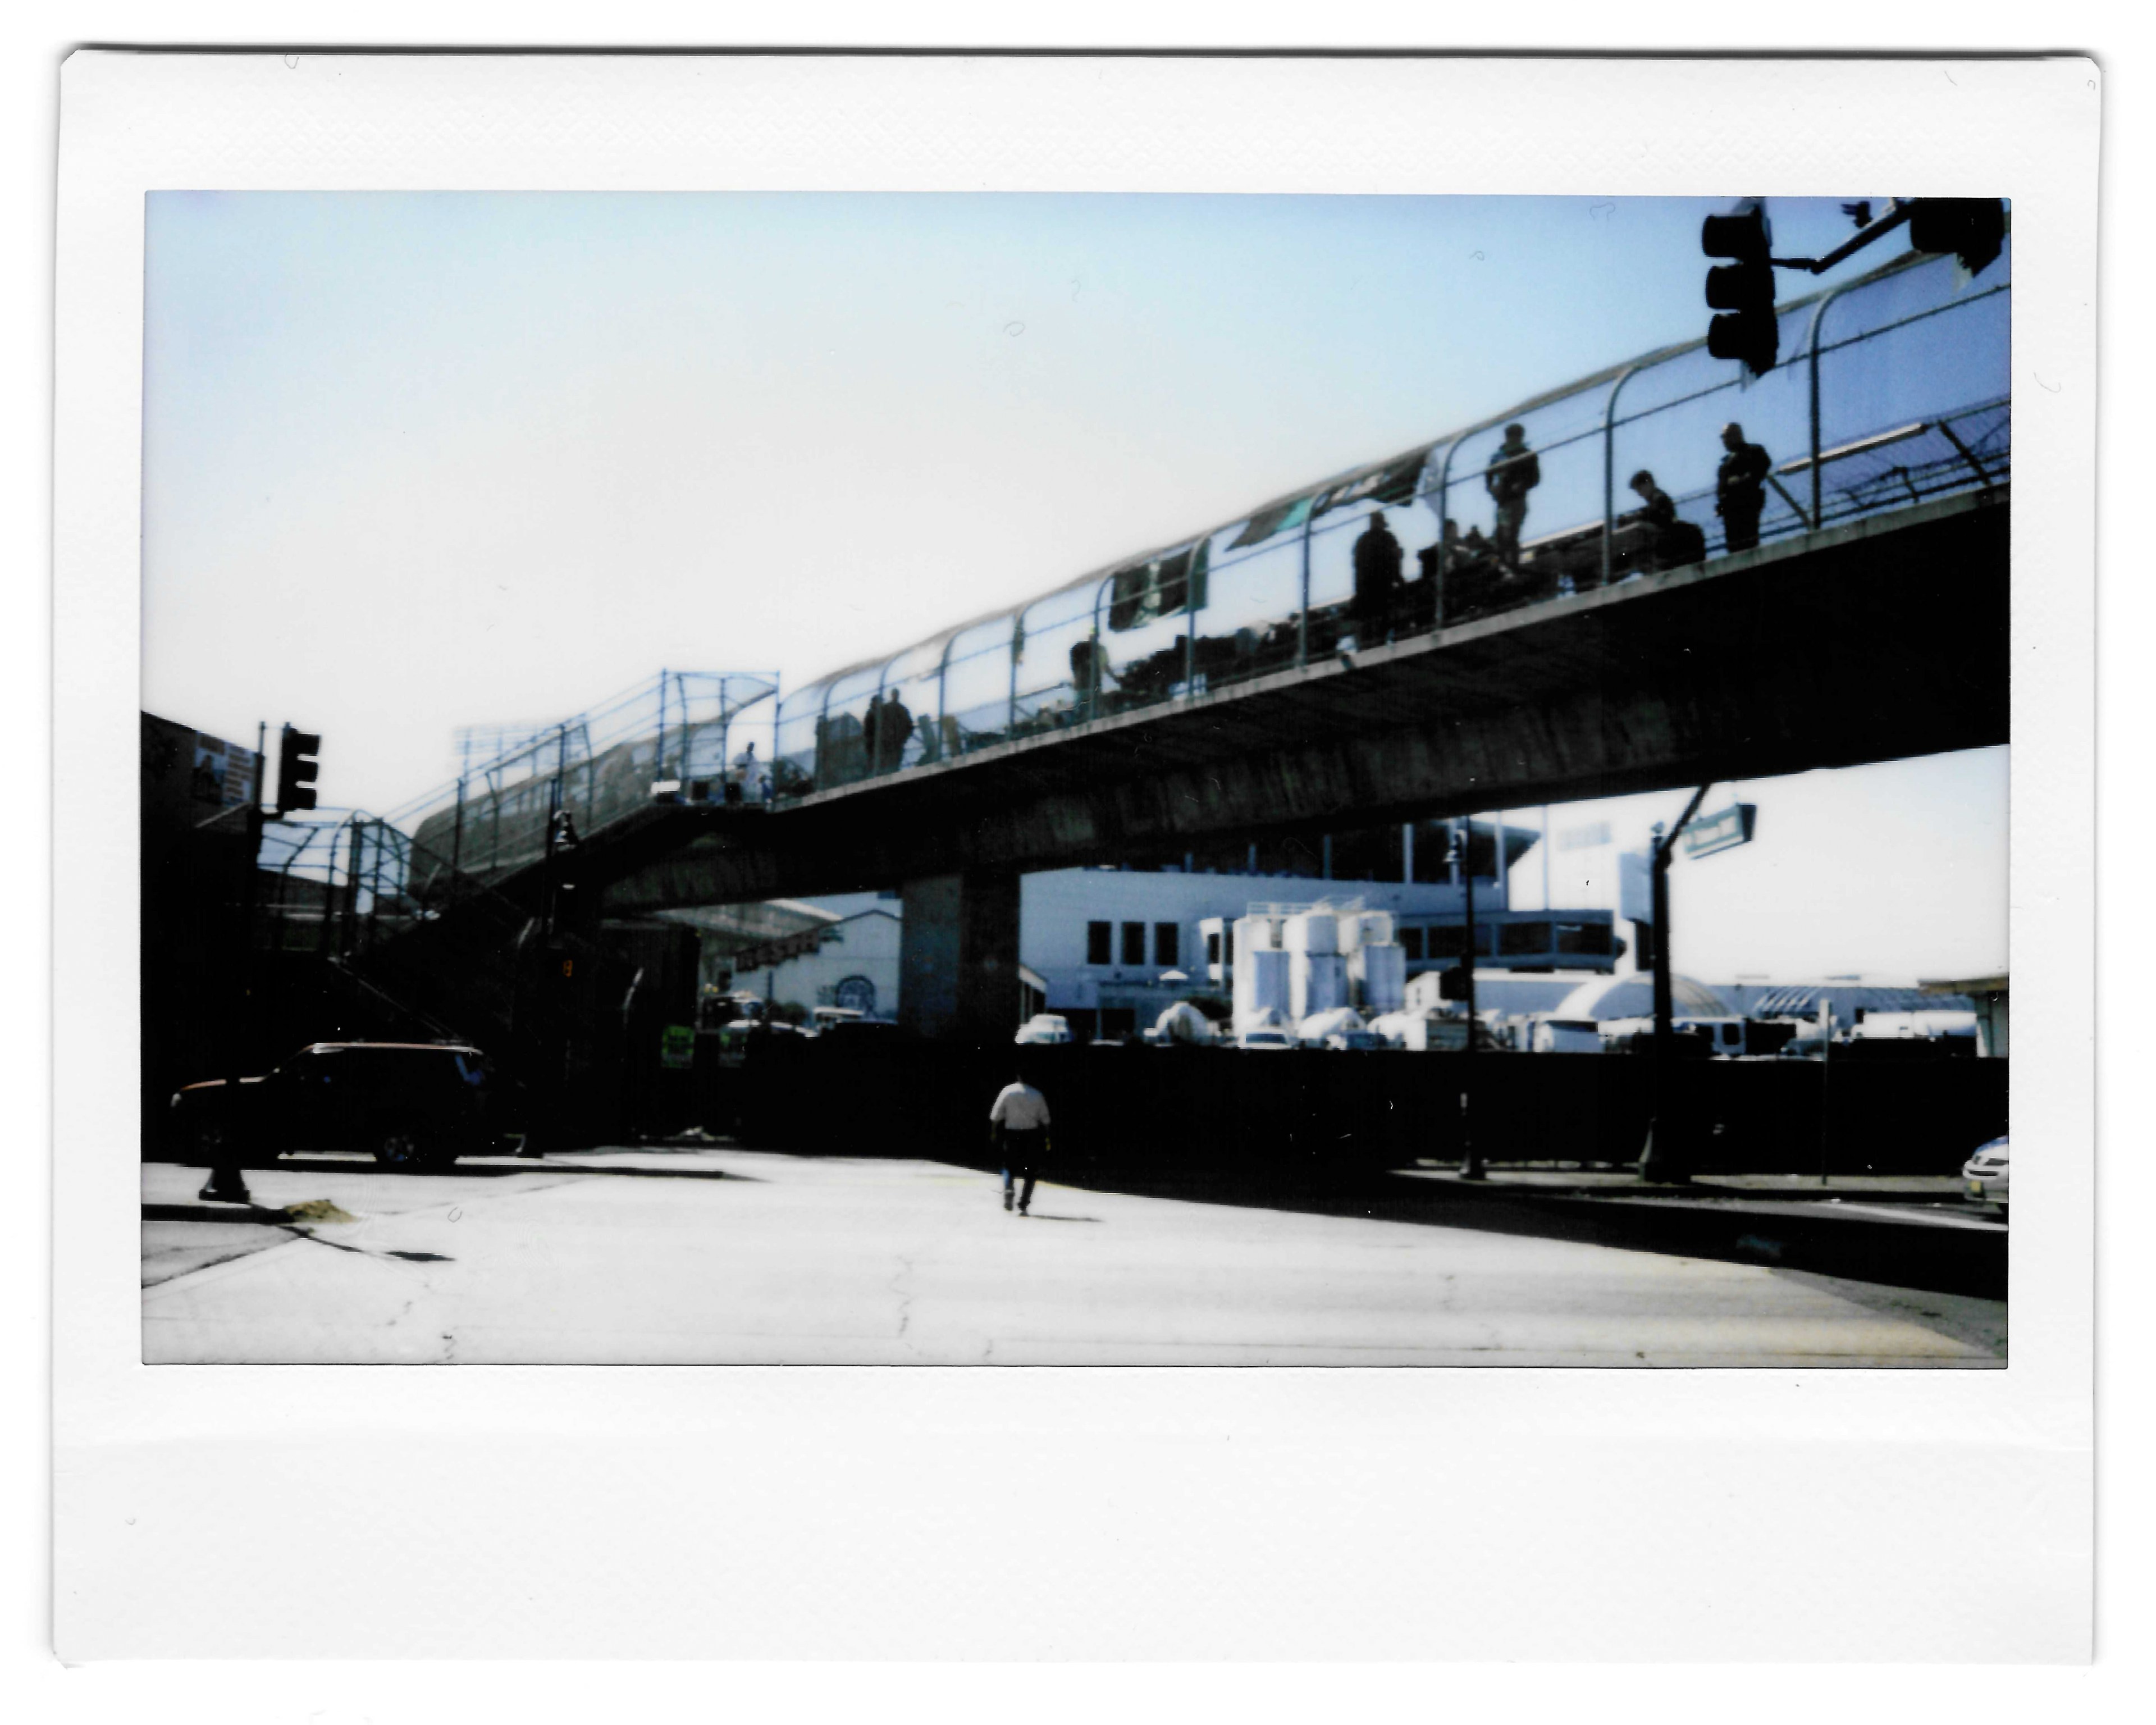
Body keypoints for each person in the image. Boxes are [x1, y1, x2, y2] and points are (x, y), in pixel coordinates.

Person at [989, 1068, 1052, 1215]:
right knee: (1031, 1170)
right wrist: (1048, 1137)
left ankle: (1009, 1188)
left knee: (1009, 1165)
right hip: (1031, 1136)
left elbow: (996, 1115)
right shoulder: (1037, 1095)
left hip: (1012, 1134)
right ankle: (1023, 1203)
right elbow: (1046, 1120)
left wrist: (993, 1132)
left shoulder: (1008, 1092)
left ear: (1018, 1076)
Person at [1485, 423, 1541, 567]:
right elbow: (1488, 475)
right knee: (1500, 536)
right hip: (1502, 502)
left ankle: (1513, 565)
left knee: (1511, 534)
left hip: (1517, 501)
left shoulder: (1527, 455)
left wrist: (1521, 485)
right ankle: (1503, 566)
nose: (1515, 439)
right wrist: (1492, 489)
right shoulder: (1498, 456)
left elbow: (1535, 478)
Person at [1350, 510, 1405, 647]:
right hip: (1383, 590)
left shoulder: (1361, 541)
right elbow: (1394, 564)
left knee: (1369, 630)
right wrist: (1401, 582)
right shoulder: (1388, 538)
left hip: (1365, 592)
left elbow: (1357, 567)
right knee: (1384, 625)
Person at [1715, 422, 1771, 554]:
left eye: (1726, 436)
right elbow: (1722, 489)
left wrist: (1740, 481)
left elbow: (1761, 469)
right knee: (1734, 549)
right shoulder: (1724, 464)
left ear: (1737, 435)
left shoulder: (1754, 452)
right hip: (1730, 514)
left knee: (1749, 546)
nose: (1724, 441)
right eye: (1723, 437)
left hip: (1747, 508)